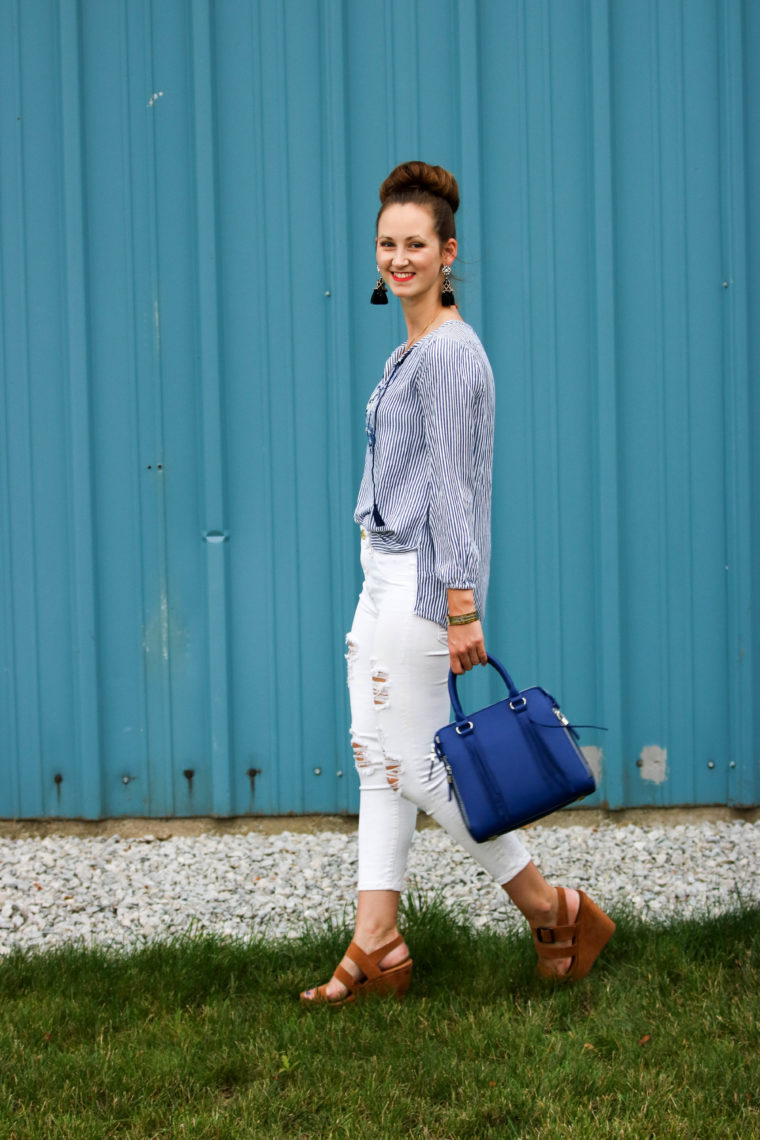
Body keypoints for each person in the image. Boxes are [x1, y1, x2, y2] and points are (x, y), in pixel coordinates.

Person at [300, 161, 614, 1006]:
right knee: (379, 760)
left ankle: (556, 909)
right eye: (387, 244)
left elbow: (455, 487)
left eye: (416, 245)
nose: (399, 258)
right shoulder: (416, 345)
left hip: (419, 585)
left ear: (448, 252)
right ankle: (377, 946)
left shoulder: (448, 354)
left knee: (425, 768)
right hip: (383, 574)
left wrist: (462, 603)